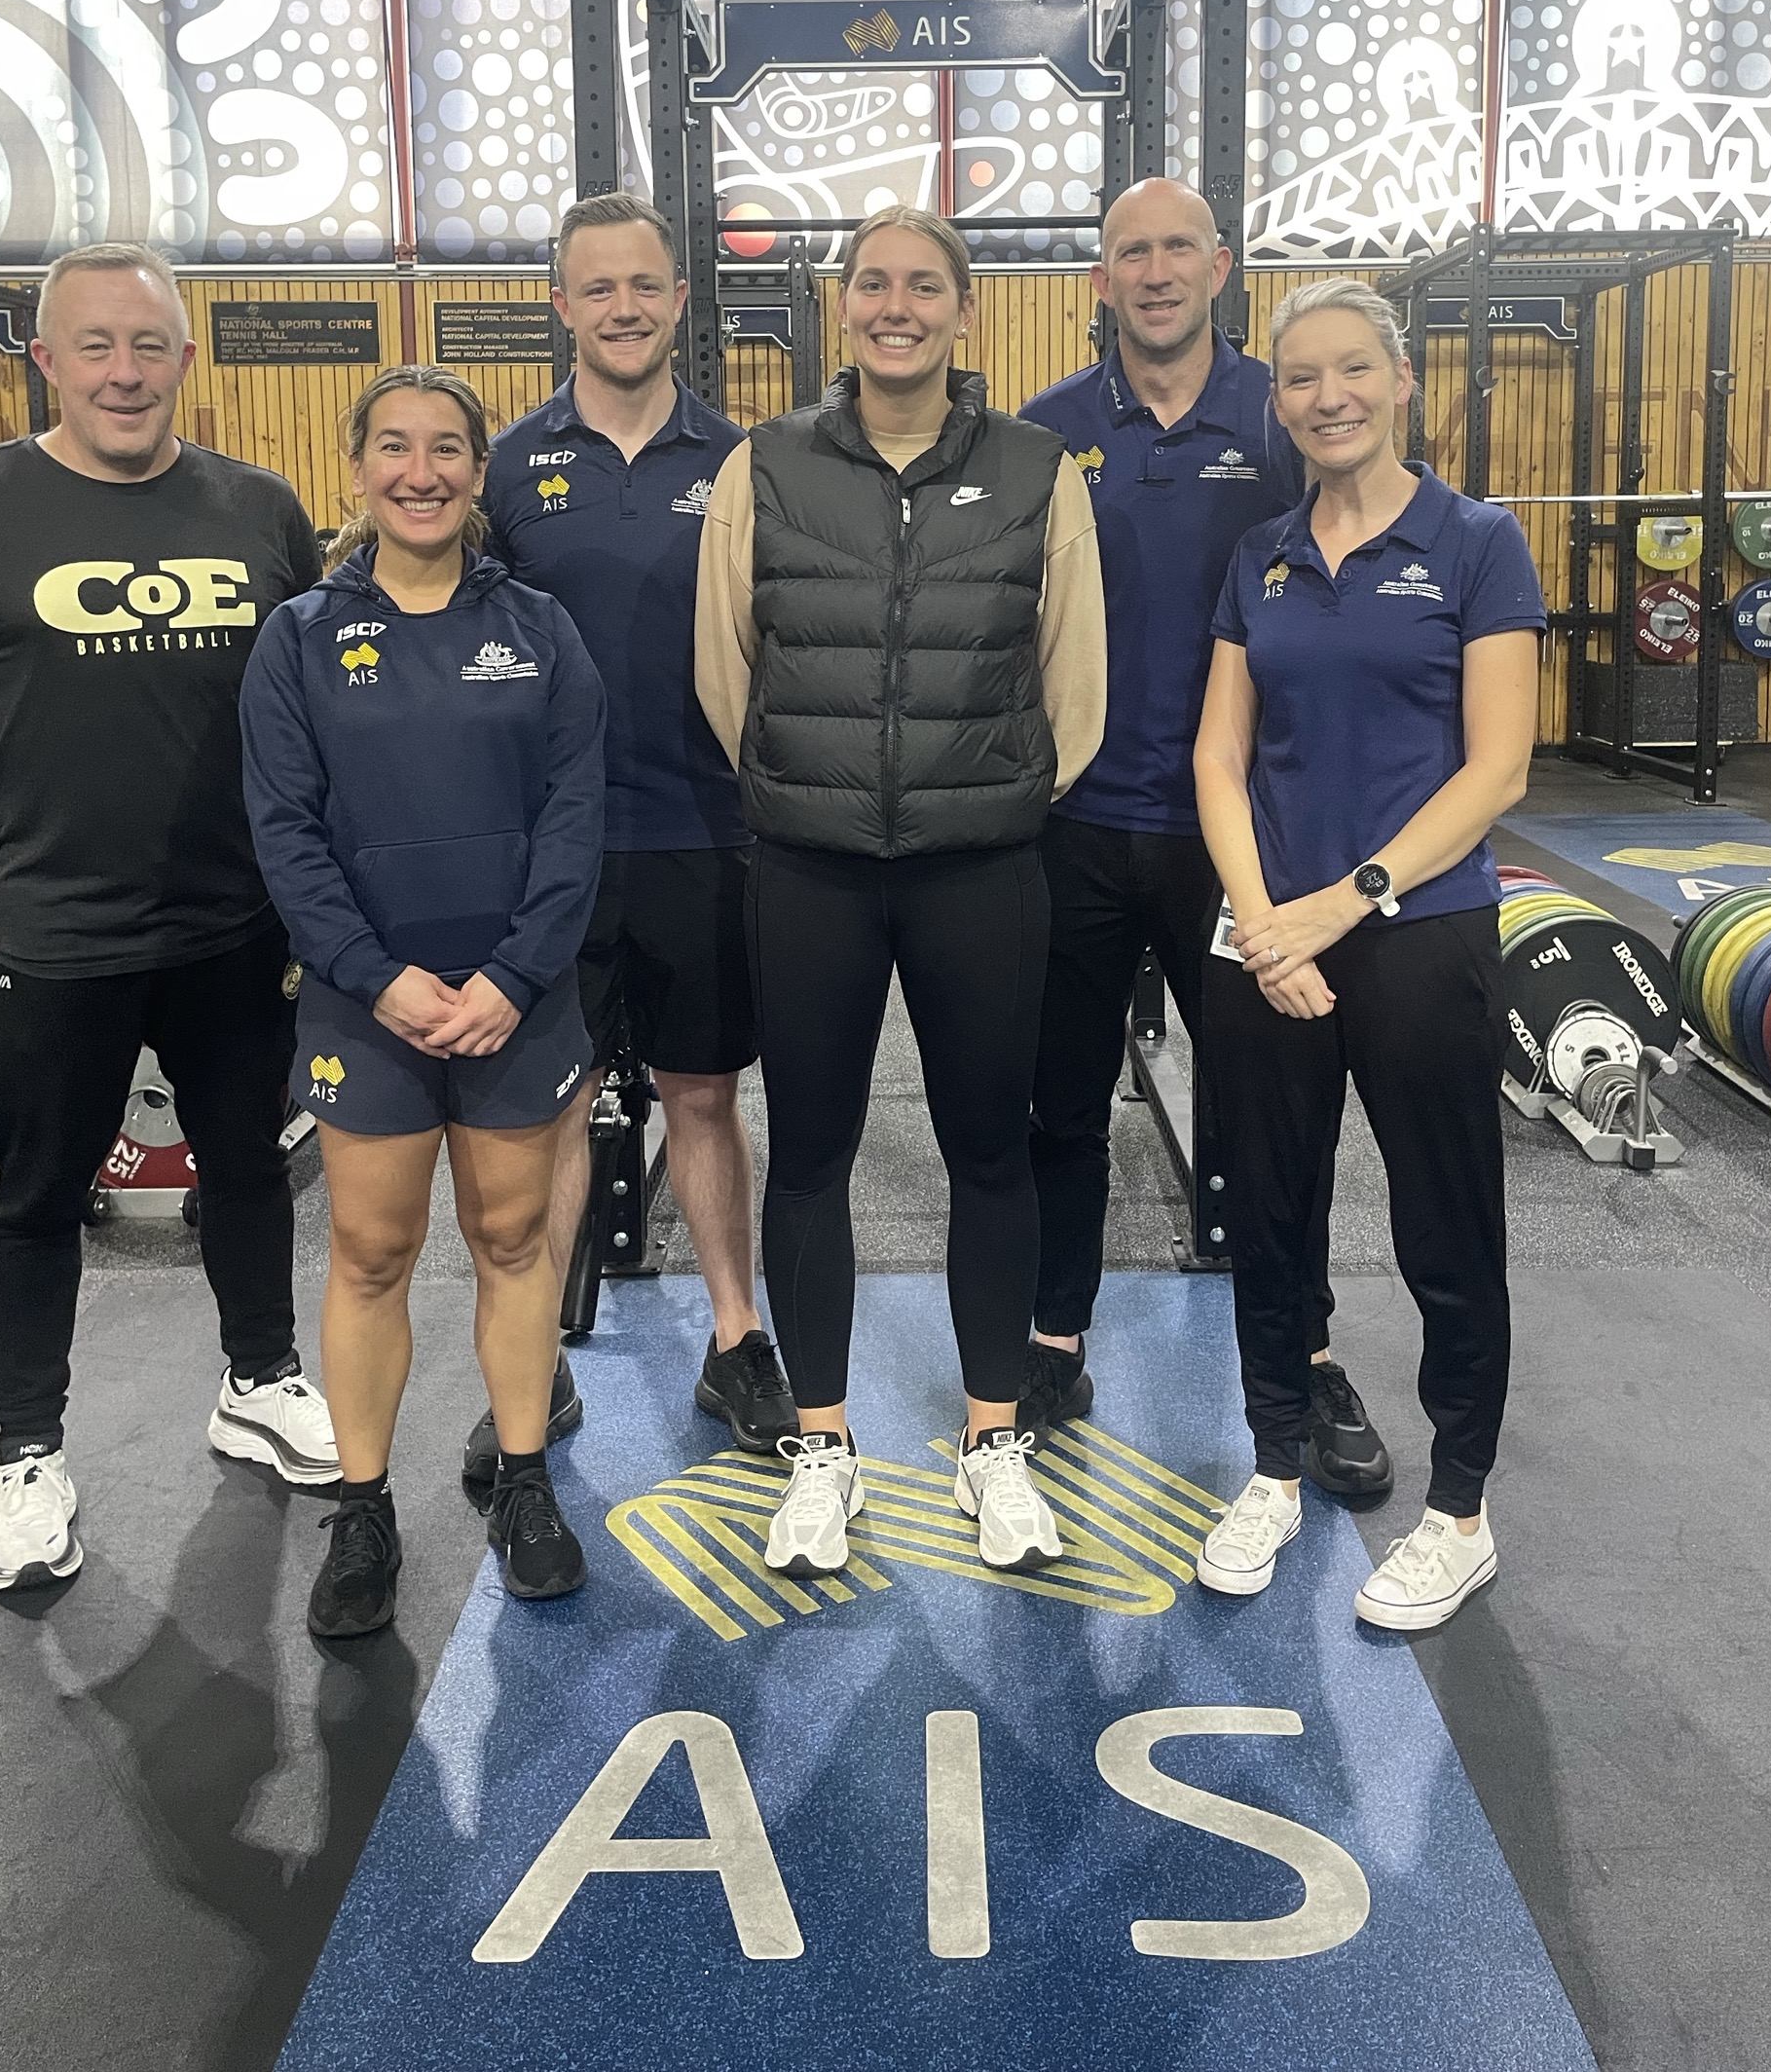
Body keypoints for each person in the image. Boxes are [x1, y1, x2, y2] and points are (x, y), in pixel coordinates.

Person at [0, 242, 339, 1595]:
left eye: (148, 345)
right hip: (55, 934)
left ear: (184, 359)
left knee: (248, 1167)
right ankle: (28, 1455)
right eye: (95, 346)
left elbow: (310, 701)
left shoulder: (258, 509)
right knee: (33, 1200)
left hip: (232, 922)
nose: (124, 373)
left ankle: (259, 1375)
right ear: (48, 361)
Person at [695, 204, 1106, 1580]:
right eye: (871, 282)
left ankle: (994, 1439)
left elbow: (1074, 685)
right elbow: (723, 673)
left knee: (990, 1152)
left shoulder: (1040, 468)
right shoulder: (767, 467)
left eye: (922, 284)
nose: (894, 305)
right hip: (809, 869)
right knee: (808, 1155)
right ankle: (822, 1443)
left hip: (981, 870)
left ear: (961, 308)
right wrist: (805, 789)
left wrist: (983, 799)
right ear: (841, 307)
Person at [1017, 180, 1391, 1498]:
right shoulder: (1045, 432)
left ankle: (1312, 1353)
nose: (1157, 271)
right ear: (1102, 277)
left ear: (1219, 266)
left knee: (1268, 1111)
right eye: (1132, 251)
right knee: (1057, 1103)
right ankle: (1052, 1337)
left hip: (1240, 843)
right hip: (1071, 827)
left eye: (1179, 247)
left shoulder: (1283, 417)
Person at [1191, 278, 1543, 1630]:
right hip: (1267, 939)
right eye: (1298, 378)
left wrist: (1342, 902)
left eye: (1351, 370)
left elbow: (1494, 765)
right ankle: (1272, 1466)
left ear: (1402, 382)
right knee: (1268, 1218)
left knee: (1444, 1226)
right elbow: (1219, 757)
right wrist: (1259, 919)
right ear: (1275, 401)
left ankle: (1458, 1510)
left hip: (1418, 931)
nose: (1325, 396)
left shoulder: (1474, 540)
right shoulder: (1261, 553)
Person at [239, 367, 605, 1637]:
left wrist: (509, 978)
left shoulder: (544, 632)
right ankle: (363, 1511)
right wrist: (381, 980)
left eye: (447, 448)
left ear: (478, 470)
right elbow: (285, 838)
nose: (421, 472)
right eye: (393, 447)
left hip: (519, 1002)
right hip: (364, 1010)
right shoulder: (296, 639)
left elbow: (573, 825)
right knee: (370, 1252)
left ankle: (525, 1482)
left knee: (512, 1243)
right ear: (356, 469)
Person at [467, 192, 794, 1498]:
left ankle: (736, 1338)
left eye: (643, 285)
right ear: (563, 305)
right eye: (595, 287)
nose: (621, 306)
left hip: (700, 836)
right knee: (545, 1120)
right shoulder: (505, 469)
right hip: (546, 856)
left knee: (705, 1098)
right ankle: (530, 1362)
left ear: (677, 301)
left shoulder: (743, 460)